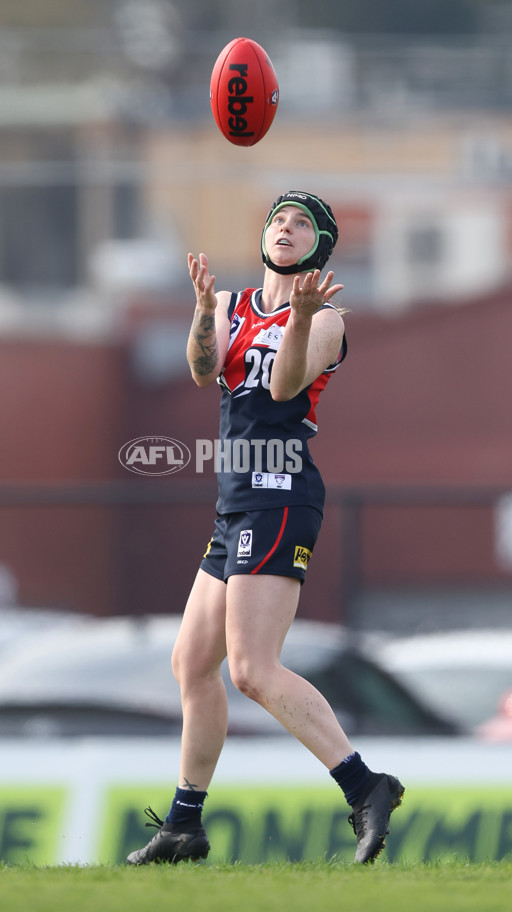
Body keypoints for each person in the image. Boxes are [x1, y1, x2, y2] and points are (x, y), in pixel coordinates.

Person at [127, 191, 404, 866]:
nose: (285, 227)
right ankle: (184, 826)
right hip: (236, 498)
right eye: (278, 219)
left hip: (280, 493)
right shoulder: (231, 307)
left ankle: (365, 785)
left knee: (252, 669)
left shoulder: (328, 320)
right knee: (192, 662)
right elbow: (201, 370)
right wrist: (199, 310)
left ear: (320, 245)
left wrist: (302, 321)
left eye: (302, 222)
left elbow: (282, 390)